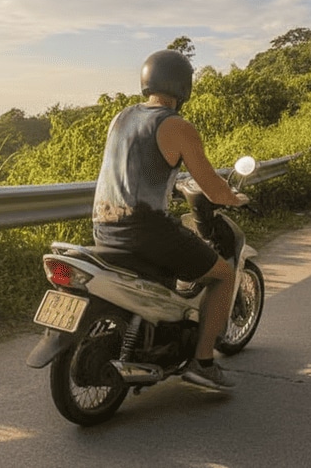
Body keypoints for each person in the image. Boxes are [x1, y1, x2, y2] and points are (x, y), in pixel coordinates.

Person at [91, 49, 250, 390]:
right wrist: (234, 198)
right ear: (184, 87)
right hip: (146, 231)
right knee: (222, 274)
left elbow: (139, 167)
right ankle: (203, 363)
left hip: (104, 226)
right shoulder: (176, 125)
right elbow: (211, 185)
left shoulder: (121, 117)